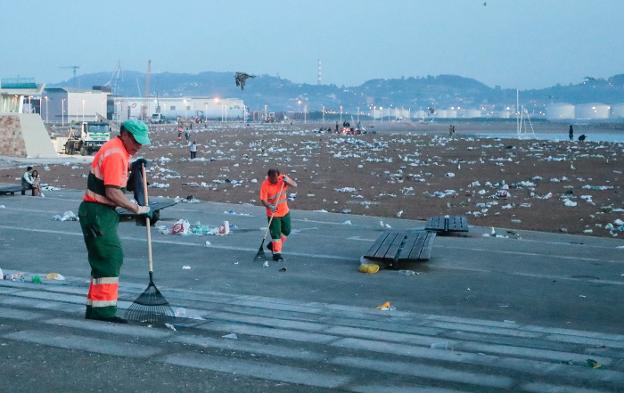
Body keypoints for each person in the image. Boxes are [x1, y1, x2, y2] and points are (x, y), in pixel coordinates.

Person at [78, 119, 152, 323]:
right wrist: (137, 208)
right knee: (109, 258)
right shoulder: (115, 153)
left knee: (103, 260)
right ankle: (104, 312)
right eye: (136, 141)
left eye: (142, 143)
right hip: (98, 212)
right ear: (125, 135)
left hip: (101, 213)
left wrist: (133, 169)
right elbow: (112, 192)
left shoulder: (119, 151)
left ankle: (95, 309)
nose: (139, 146)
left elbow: (115, 182)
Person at [259, 168, 297, 261]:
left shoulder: (282, 179)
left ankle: (272, 246)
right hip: (273, 213)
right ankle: (277, 254)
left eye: (275, 178)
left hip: (284, 211)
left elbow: (295, 185)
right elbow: (263, 200)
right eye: (271, 178)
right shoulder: (265, 185)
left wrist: (288, 181)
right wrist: (270, 206)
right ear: (269, 176)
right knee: (276, 234)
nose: (274, 180)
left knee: (287, 230)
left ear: (278, 176)